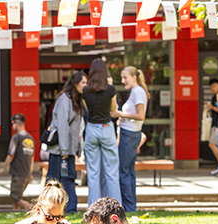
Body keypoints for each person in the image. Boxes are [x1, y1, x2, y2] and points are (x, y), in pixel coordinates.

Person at [46, 71, 87, 214]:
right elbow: (62, 125)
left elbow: (78, 128)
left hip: (67, 150)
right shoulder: (65, 99)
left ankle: (70, 208)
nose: (85, 85)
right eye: (83, 82)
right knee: (54, 181)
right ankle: (49, 209)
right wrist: (64, 150)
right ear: (75, 83)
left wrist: (77, 149)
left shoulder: (77, 100)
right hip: (60, 150)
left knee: (68, 178)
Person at [82, 59, 121, 206]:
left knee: (93, 172)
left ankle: (94, 207)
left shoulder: (85, 90)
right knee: (111, 171)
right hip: (106, 127)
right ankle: (115, 206)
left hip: (91, 128)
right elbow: (112, 109)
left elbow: (87, 110)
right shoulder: (110, 89)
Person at [111, 66, 150, 212]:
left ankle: (128, 207)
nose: (123, 81)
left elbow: (141, 116)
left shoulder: (137, 91)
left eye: (125, 77)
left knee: (124, 172)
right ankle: (131, 205)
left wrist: (120, 114)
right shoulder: (136, 91)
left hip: (129, 135)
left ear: (134, 77)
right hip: (130, 133)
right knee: (129, 172)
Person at [0, 114, 35, 210]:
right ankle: (15, 214)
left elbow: (11, 155)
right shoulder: (30, 138)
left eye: (12, 124)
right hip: (26, 173)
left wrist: (3, 167)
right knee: (17, 198)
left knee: (16, 197)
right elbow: (32, 159)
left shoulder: (16, 138)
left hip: (18, 173)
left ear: (16, 123)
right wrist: (30, 173)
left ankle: (34, 211)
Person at [205, 78, 218, 166]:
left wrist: (211, 107)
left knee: (212, 144)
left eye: (214, 86)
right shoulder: (214, 97)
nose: (212, 89)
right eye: (211, 87)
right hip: (217, 124)